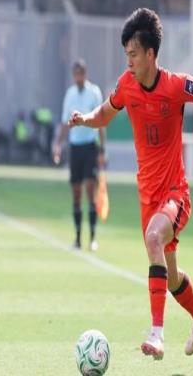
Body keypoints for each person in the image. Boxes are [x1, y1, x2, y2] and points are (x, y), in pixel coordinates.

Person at [66, 8, 193, 360]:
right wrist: (85, 119)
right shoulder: (127, 85)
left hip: (175, 194)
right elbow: (105, 113)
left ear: (151, 53)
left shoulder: (174, 86)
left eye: (134, 54)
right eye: (126, 54)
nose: (129, 61)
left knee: (154, 237)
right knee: (170, 277)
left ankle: (156, 334)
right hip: (148, 196)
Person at [53, 59, 106, 251]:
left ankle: (92, 238)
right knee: (76, 193)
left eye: (81, 74)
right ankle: (77, 238)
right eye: (75, 74)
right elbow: (65, 123)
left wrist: (102, 150)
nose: (78, 78)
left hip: (90, 147)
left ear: (85, 74)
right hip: (75, 147)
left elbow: (101, 120)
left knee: (90, 191)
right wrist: (58, 145)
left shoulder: (94, 92)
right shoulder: (70, 94)